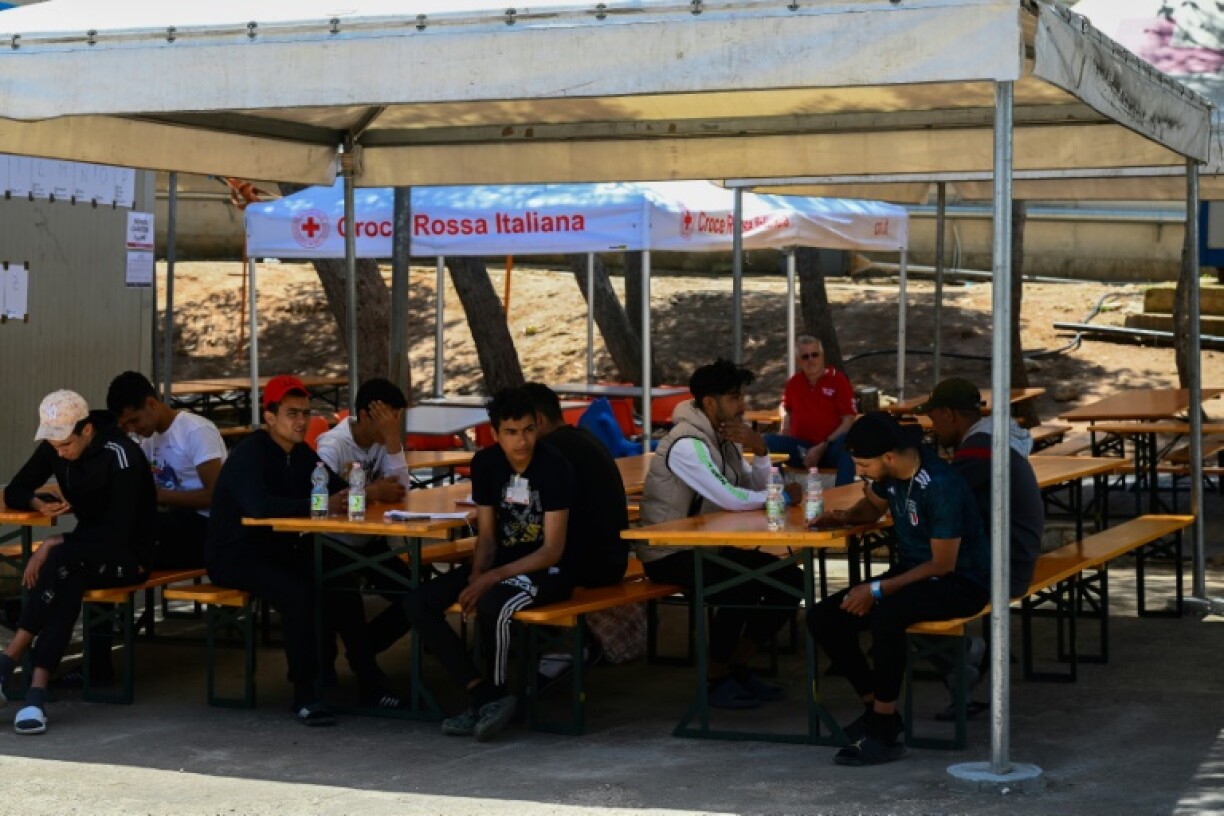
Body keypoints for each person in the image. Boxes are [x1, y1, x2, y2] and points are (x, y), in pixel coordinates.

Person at [205, 375, 396, 726]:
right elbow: (259, 506)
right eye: (292, 413)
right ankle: (305, 693)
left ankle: (368, 678)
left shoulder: (302, 453)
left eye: (305, 414)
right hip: (237, 555)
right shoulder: (250, 453)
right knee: (298, 593)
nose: (300, 421)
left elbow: (337, 489)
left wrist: (369, 490)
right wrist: (317, 503)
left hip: (282, 547)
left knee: (341, 574)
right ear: (269, 417)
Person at [807, 411, 990, 766]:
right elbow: (871, 508)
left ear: (888, 457)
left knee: (887, 614)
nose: (859, 470)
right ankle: (879, 712)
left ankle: (884, 733)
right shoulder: (890, 475)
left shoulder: (941, 485)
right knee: (823, 617)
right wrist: (843, 517)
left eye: (863, 464)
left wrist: (876, 590)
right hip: (914, 571)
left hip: (961, 581)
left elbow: (942, 564)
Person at [403, 387, 574, 741]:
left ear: (537, 426)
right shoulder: (485, 464)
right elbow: (488, 536)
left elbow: (553, 549)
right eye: (511, 432)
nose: (521, 441)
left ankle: (494, 700)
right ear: (495, 434)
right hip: (500, 565)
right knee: (417, 602)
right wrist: (478, 575)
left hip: (545, 571)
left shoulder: (554, 465)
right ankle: (482, 693)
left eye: (527, 430)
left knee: (494, 604)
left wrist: (490, 579)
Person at [637, 359, 804, 710]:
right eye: (733, 397)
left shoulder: (724, 437)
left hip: (707, 547)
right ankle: (713, 679)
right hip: (668, 553)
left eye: (741, 395)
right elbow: (730, 497)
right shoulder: (686, 443)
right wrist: (781, 496)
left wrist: (760, 450)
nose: (741, 404)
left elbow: (753, 485)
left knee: (790, 580)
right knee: (739, 584)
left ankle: (735, 665)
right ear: (709, 403)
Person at [0, 390, 156, 735]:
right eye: (53, 446)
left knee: (60, 560)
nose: (60, 453)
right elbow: (16, 488)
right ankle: (36, 693)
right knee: (65, 579)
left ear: (87, 431)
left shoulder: (122, 455)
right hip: (82, 555)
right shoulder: (57, 445)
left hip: (129, 554)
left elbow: (119, 532)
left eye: (66, 444)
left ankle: (9, 660)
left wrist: (57, 541)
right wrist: (35, 503)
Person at [916, 377, 1045, 720]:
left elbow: (936, 496)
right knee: (909, 580)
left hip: (1004, 568)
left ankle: (962, 658)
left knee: (898, 593)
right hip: (1013, 556)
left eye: (933, 418)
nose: (932, 427)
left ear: (949, 414)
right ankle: (962, 667)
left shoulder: (979, 448)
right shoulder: (993, 439)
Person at [106, 370, 226, 570]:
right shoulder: (146, 439)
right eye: (125, 426)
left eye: (134, 421)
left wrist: (158, 496)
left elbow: (216, 496)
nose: (132, 429)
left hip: (209, 529)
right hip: (174, 523)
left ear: (152, 403)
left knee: (129, 539)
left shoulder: (195, 430)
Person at [522, 382, 629, 588]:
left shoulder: (551, 452)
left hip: (582, 567)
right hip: (611, 561)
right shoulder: (585, 438)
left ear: (538, 420)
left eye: (520, 427)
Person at [764, 336, 857, 485]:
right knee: (766, 442)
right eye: (805, 356)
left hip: (829, 447)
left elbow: (849, 420)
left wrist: (823, 445)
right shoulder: (794, 383)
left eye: (815, 355)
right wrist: (786, 419)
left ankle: (842, 502)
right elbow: (785, 406)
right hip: (802, 449)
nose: (811, 360)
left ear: (822, 356)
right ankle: (779, 495)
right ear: (798, 361)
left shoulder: (838, 380)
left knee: (848, 443)